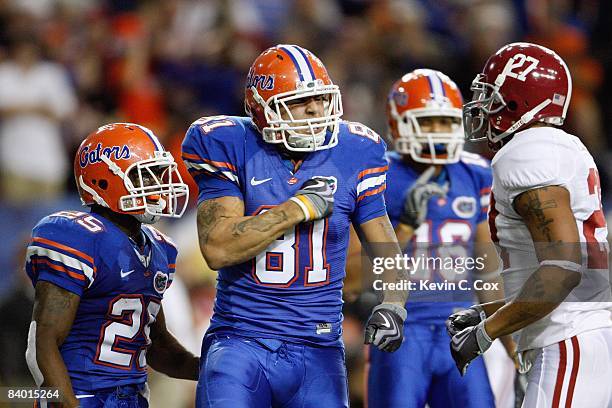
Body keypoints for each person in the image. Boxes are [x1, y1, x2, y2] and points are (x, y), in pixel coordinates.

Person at [181, 44, 408, 408]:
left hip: (319, 348)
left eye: (321, 99)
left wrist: (395, 302)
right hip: (242, 341)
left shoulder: (355, 150)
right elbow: (218, 248)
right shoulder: (228, 144)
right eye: (302, 103)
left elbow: (383, 243)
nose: (317, 111)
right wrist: (295, 209)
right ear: (263, 110)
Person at [448, 42, 612, 407]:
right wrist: (493, 311)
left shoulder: (527, 151)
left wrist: (487, 332)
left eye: (491, 97)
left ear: (516, 103)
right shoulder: (562, 146)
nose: (483, 107)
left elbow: (562, 268)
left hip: (566, 339)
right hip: (584, 335)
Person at [354, 69, 510, 407]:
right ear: (399, 123)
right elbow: (356, 276)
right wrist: (406, 227)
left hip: (460, 330)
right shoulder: (377, 174)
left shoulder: (475, 173)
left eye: (445, 123)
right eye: (427, 122)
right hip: (402, 331)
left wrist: (511, 345)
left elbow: (487, 271)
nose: (438, 133)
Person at [25, 123, 199, 407]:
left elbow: (158, 348)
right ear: (104, 181)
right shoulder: (79, 237)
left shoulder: (158, 248)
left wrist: (214, 368)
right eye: (148, 175)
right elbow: (42, 344)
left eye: (160, 174)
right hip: (81, 395)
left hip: (133, 398)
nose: (160, 185)